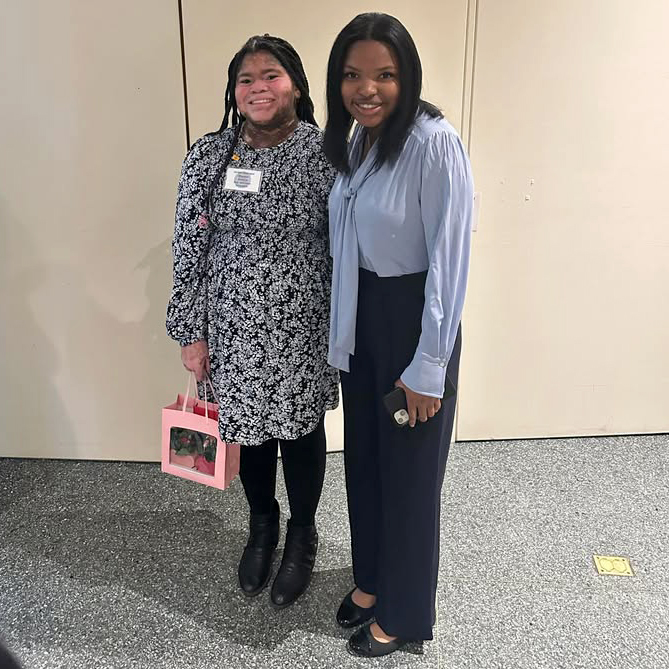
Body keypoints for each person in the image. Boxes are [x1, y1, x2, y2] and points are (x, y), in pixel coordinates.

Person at [166, 34, 339, 609]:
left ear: (296, 86)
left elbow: (347, 244)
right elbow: (189, 247)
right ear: (233, 91)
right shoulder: (211, 155)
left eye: (271, 76)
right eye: (246, 79)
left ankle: (302, 535)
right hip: (233, 328)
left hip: (304, 326)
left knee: (300, 431)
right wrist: (190, 332)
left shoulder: (326, 154)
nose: (258, 88)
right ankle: (262, 525)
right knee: (248, 431)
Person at [323, 13, 474, 657]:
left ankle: (406, 611)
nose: (367, 89)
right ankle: (372, 579)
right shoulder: (357, 141)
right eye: (353, 75)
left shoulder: (434, 143)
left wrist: (429, 362)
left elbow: (450, 259)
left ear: (407, 75)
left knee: (410, 475)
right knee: (364, 459)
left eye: (384, 74)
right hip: (362, 316)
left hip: (413, 318)